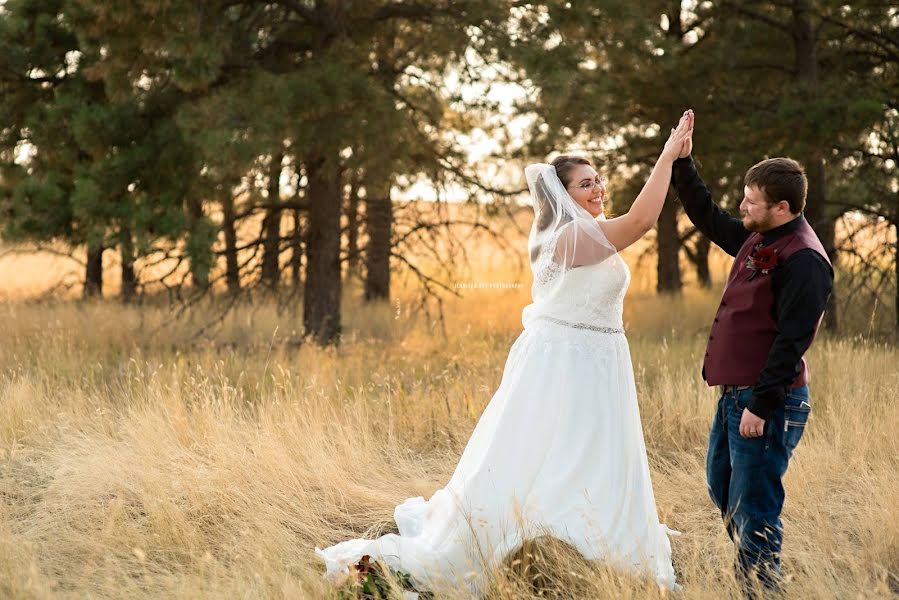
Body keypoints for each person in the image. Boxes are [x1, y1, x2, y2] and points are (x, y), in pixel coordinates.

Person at [315, 111, 695, 597]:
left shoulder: (584, 231)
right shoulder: (571, 237)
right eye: (585, 185)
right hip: (568, 366)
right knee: (555, 452)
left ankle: (593, 537)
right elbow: (642, 220)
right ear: (562, 196)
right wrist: (668, 153)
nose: (597, 189)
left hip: (594, 362)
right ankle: (543, 541)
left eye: (598, 180)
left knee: (587, 452)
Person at [670, 112, 833, 594]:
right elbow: (711, 217)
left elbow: (792, 341)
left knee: (755, 505)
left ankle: (762, 589)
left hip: (769, 402)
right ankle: (758, 578)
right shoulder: (761, 236)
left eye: (751, 200)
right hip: (735, 397)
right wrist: (683, 164)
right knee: (723, 488)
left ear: (781, 207)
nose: (741, 205)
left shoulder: (804, 259)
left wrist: (760, 405)